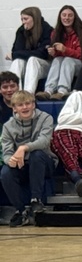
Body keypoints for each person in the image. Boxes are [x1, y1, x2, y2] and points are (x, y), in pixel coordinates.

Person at [1, 91, 56, 226]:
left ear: (33, 105)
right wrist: (10, 160)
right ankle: (20, 211)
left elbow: (44, 141)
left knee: (36, 154)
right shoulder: (8, 126)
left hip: (44, 162)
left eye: (28, 103)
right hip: (22, 165)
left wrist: (23, 148)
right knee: (5, 172)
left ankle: (35, 200)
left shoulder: (46, 118)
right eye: (20, 105)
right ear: (14, 108)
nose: (25, 107)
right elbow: (6, 152)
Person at [41, 5, 82, 101]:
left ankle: (63, 91)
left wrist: (65, 50)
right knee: (57, 60)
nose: (66, 18)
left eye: (70, 15)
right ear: (60, 17)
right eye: (64, 15)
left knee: (68, 60)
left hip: (79, 66)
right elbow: (59, 56)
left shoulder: (81, 32)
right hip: (63, 64)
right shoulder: (56, 32)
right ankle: (49, 90)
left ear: (74, 17)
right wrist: (54, 52)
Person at [8, 7, 53, 96]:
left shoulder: (47, 29)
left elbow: (42, 54)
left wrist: (16, 54)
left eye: (26, 19)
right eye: (22, 19)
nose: (23, 22)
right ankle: (16, 95)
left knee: (33, 59)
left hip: (45, 65)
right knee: (17, 62)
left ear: (35, 18)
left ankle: (28, 94)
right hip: (28, 65)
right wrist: (17, 54)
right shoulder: (21, 31)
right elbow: (16, 52)